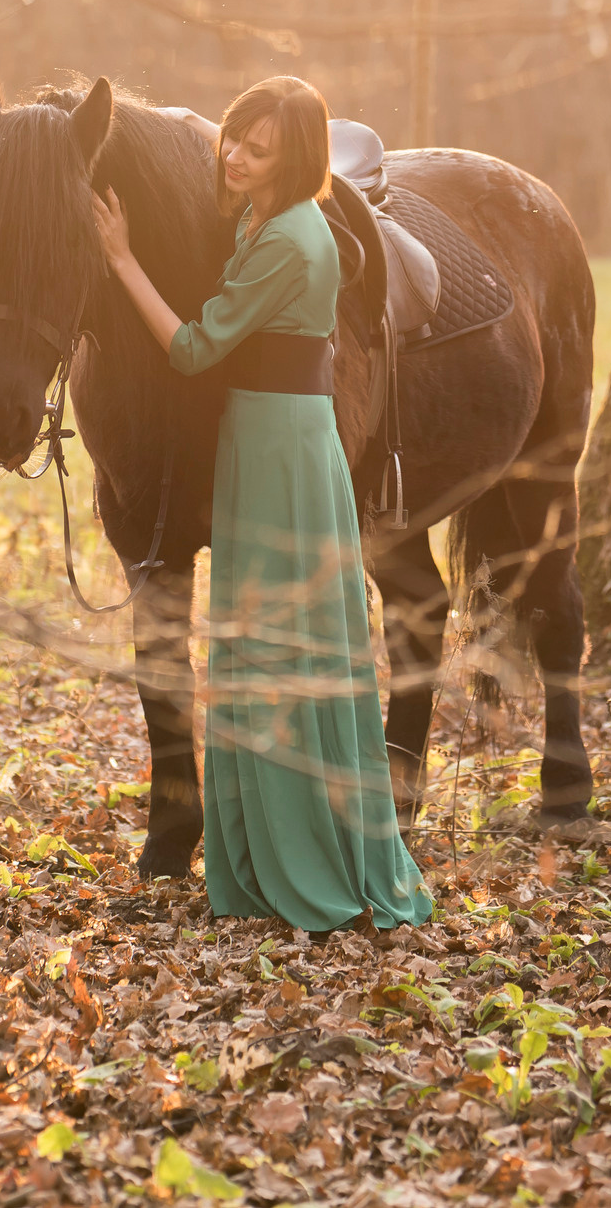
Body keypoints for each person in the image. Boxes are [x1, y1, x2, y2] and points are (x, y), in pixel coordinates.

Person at [90, 77, 430, 932]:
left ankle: (304, 849)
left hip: (281, 446)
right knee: (256, 634)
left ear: (298, 159)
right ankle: (256, 841)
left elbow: (199, 348)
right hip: (265, 437)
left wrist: (123, 257)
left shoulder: (288, 238)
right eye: (234, 135)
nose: (235, 153)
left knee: (287, 642)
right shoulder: (256, 220)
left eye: (258, 146)